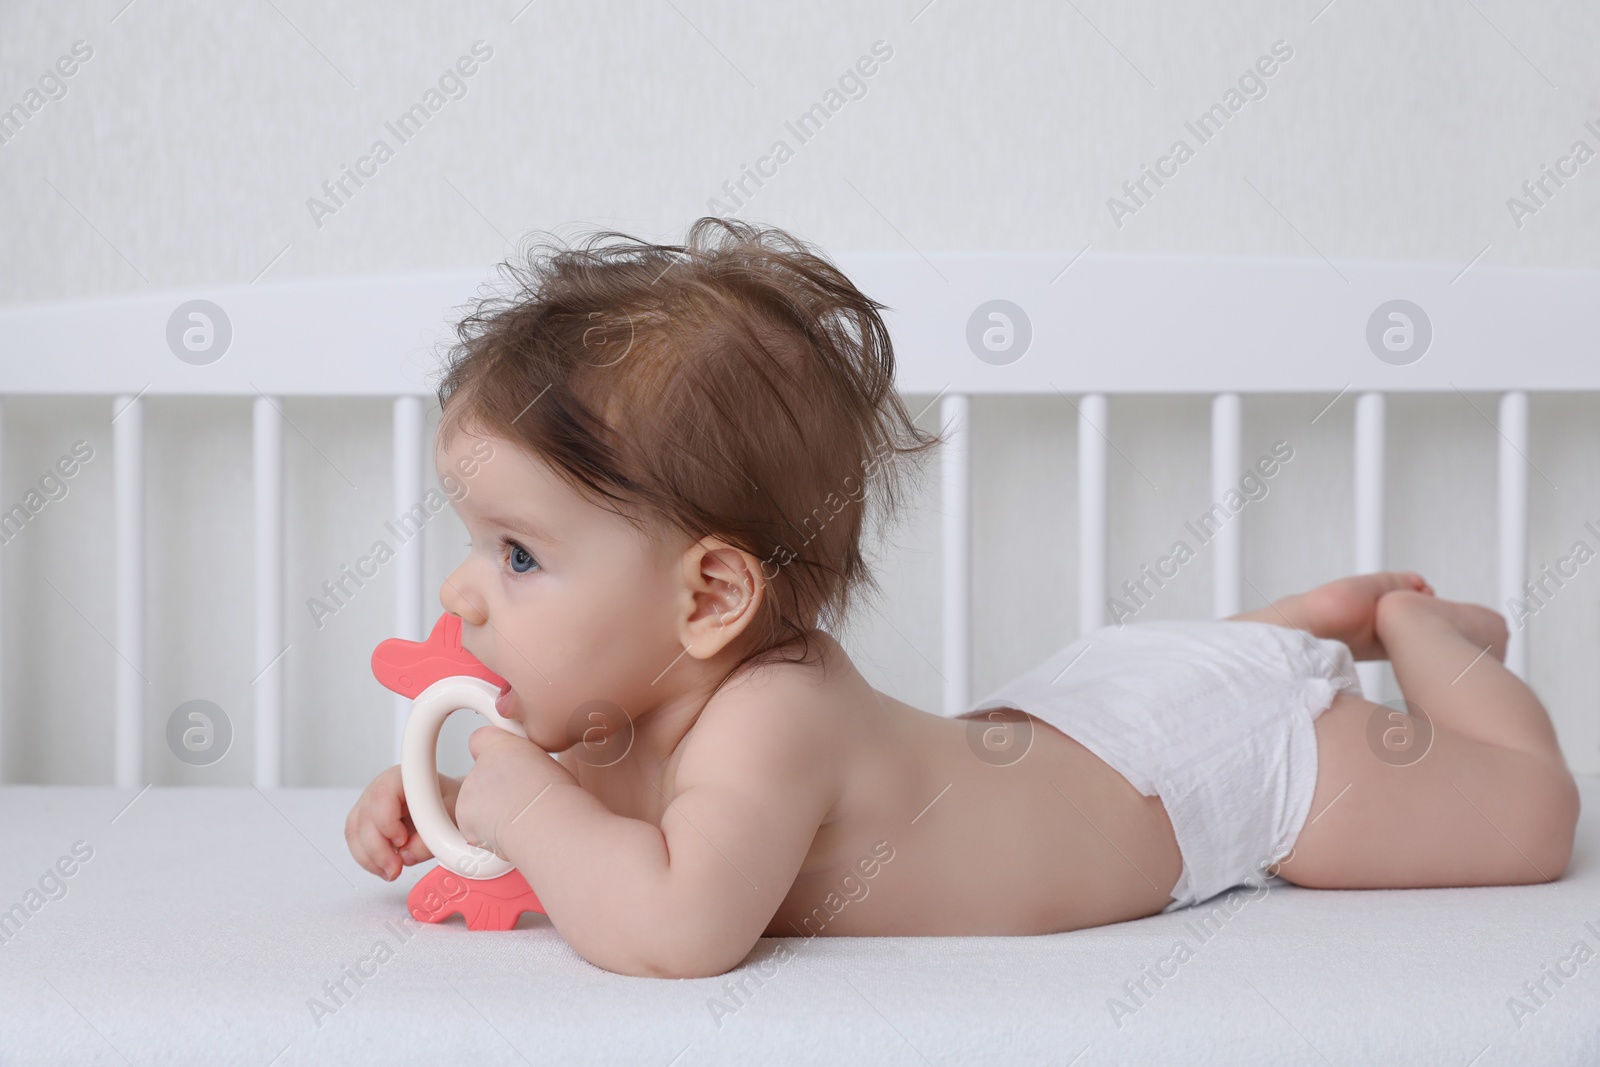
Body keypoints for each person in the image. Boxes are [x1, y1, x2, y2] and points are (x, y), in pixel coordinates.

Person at [345, 217, 1581, 978]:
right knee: (1177, 678)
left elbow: (675, 924)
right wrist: (451, 803)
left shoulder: (773, 717)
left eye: (515, 552)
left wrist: (516, 804)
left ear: (710, 594)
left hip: (1213, 768)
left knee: (1528, 820)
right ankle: (1295, 624)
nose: (463, 586)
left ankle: (1421, 633)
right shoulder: (653, 707)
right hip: (1091, 713)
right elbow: (605, 817)